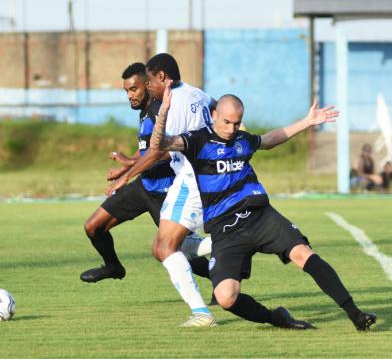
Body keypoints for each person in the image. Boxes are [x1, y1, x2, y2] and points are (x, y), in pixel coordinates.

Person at [151, 85, 377, 332]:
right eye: (227, 122)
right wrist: (163, 113)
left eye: (237, 124)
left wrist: (307, 121)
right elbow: (159, 144)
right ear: (214, 114)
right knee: (226, 296)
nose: (231, 129)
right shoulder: (197, 140)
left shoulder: (242, 140)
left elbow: (268, 140)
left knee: (303, 253)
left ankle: (355, 314)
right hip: (226, 229)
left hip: (260, 216)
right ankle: (277, 318)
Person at [80, 62, 212, 288]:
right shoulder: (144, 112)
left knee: (171, 249)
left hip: (166, 190)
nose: (130, 96)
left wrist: (126, 174)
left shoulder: (163, 110)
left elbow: (166, 152)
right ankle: (113, 266)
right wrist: (127, 165)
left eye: (135, 89)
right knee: (93, 227)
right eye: (127, 91)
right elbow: (146, 149)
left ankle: (218, 276)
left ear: (148, 85)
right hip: (144, 185)